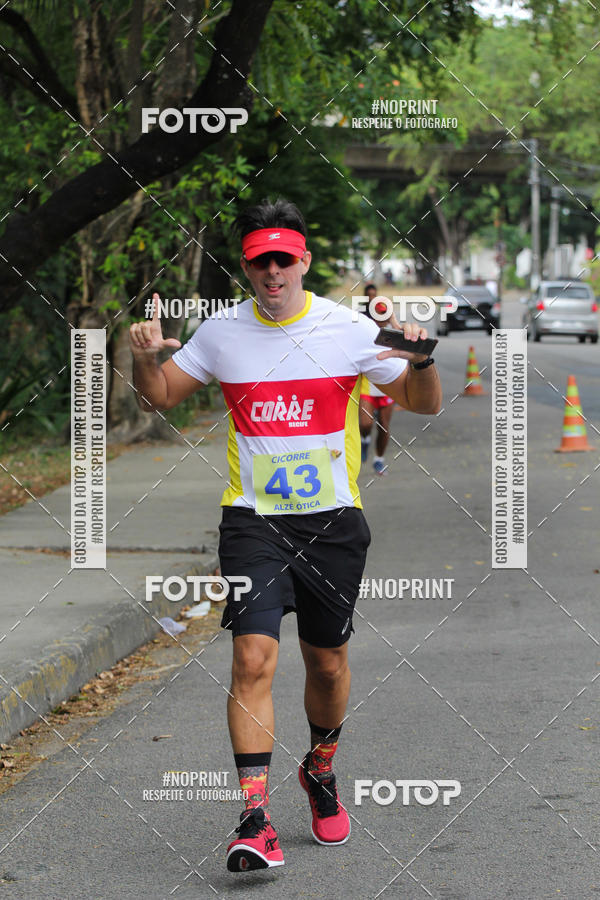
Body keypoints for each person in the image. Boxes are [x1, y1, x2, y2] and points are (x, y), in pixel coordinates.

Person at [129, 198, 441, 874]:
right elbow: (160, 396)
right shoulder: (221, 333)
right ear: (247, 267)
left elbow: (423, 403)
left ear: (303, 261)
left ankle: (320, 769)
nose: (272, 272)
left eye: (282, 259)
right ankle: (253, 820)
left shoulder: (350, 330)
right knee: (253, 659)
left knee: (326, 663)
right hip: (253, 522)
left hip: (333, 524)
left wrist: (419, 361)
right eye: (258, 261)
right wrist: (147, 360)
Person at [358, 285, 396, 475]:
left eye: (384, 315)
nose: (380, 319)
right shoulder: (364, 330)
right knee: (365, 424)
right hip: (367, 387)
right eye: (377, 315)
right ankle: (364, 440)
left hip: (388, 389)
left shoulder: (393, 335)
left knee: (384, 426)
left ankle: (379, 460)